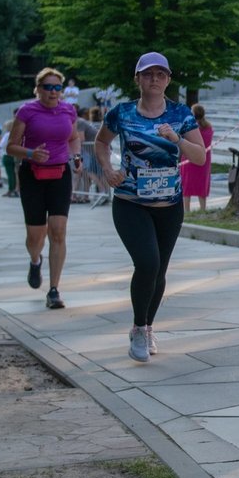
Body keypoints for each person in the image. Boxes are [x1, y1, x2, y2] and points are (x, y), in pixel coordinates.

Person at [95, 51, 207, 362]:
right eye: (147, 74)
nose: (154, 79)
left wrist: (176, 139)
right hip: (131, 201)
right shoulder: (122, 112)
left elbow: (199, 156)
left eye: (160, 74)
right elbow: (101, 142)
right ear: (137, 79)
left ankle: (147, 326)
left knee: (159, 270)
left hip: (168, 205)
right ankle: (138, 328)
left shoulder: (181, 114)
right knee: (147, 263)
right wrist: (107, 169)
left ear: (168, 80)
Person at [6, 67, 83, 309]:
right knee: (35, 235)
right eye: (47, 87)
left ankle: (54, 290)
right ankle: (35, 259)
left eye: (57, 87)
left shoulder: (68, 110)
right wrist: (31, 153)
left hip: (60, 173)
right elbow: (11, 146)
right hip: (32, 175)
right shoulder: (27, 111)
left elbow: (73, 137)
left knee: (58, 231)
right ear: (38, 89)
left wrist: (78, 156)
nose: (53, 92)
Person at [179, 103, 214, 212]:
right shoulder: (209, 128)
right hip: (203, 160)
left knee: (187, 185)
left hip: (189, 159)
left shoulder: (190, 128)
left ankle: (187, 210)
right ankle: (203, 209)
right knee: (201, 185)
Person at [0, 119, 19, 198]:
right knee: (14, 174)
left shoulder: (7, 134)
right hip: (14, 154)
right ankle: (14, 189)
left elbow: (2, 145)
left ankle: (11, 189)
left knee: (10, 174)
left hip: (7, 154)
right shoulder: (16, 133)